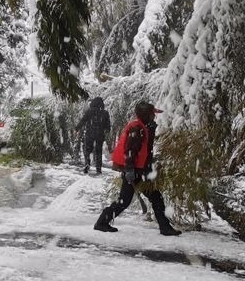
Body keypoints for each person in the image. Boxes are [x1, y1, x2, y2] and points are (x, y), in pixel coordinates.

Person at [94, 100, 181, 236]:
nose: (154, 116)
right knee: (130, 200)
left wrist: (151, 130)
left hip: (139, 170)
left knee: (144, 198)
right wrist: (129, 170)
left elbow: (146, 149)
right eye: (152, 114)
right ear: (146, 115)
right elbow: (130, 151)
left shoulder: (143, 127)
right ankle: (102, 222)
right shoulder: (137, 128)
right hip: (135, 171)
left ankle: (164, 227)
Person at [75, 96, 112, 174]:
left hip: (89, 133)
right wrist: (106, 129)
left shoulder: (89, 111)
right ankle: (98, 168)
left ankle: (87, 164)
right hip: (100, 135)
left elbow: (83, 120)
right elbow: (108, 126)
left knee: (87, 150)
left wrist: (77, 128)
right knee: (98, 151)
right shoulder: (105, 113)